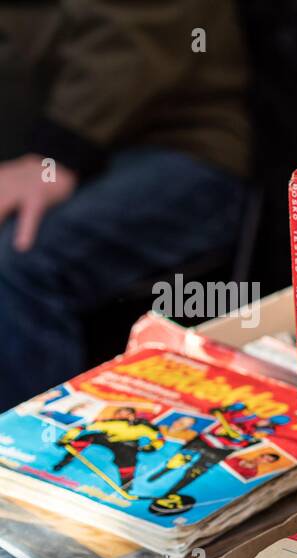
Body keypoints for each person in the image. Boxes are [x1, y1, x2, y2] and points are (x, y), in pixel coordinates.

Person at [0, 0, 252, 408]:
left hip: (180, 141)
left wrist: (57, 152)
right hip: (46, 139)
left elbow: (139, 38)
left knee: (19, 260)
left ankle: (32, 458)